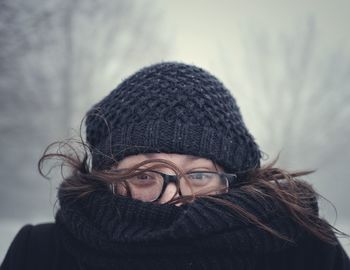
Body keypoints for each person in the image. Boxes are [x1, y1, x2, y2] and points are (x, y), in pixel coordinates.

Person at [1, 62, 349, 270]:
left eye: (198, 175)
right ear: (107, 177)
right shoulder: (41, 254)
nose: (174, 199)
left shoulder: (304, 251)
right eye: (145, 175)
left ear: (234, 179)